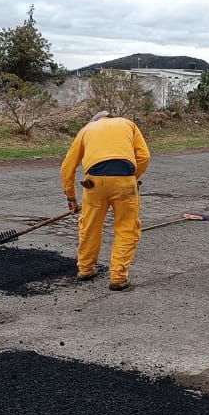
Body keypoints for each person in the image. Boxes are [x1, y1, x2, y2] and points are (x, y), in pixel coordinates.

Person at [61, 110, 150, 292]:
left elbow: (67, 166)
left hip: (94, 183)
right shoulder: (127, 124)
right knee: (126, 228)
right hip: (124, 181)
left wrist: (71, 197)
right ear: (110, 118)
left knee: (90, 226)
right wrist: (133, 177)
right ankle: (118, 278)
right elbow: (144, 157)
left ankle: (85, 269)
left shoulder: (87, 129)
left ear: (95, 121)